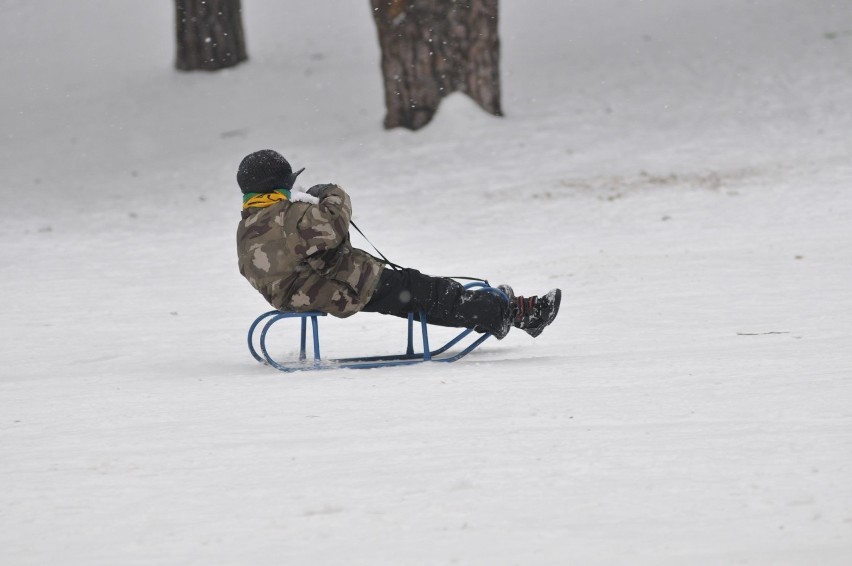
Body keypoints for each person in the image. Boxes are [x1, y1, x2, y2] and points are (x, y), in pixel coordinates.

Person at [236, 149, 561, 339]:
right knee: (426, 294)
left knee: (416, 291)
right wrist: (329, 193)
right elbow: (335, 222)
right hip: (341, 287)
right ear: (278, 188)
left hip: (303, 293)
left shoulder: (249, 225)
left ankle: (494, 306)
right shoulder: (286, 217)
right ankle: (513, 312)